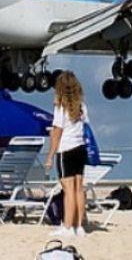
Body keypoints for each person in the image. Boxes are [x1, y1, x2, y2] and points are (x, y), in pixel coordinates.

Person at [44, 71, 91, 238]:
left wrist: (50, 156)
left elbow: (57, 132)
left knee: (68, 189)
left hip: (67, 149)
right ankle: (79, 226)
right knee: (79, 189)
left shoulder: (60, 108)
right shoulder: (82, 106)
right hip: (80, 148)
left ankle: (68, 225)